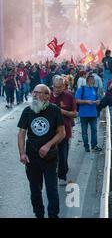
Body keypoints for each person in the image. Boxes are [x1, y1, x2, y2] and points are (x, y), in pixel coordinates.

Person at [17, 84, 66, 218]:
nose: (34, 95)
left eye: (38, 93)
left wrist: (48, 145)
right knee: (35, 191)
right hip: (32, 158)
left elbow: (62, 133)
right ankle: (39, 214)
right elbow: (21, 133)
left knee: (52, 190)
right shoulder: (27, 111)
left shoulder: (54, 110)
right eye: (34, 92)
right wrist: (22, 153)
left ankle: (53, 215)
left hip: (50, 157)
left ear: (47, 96)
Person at [49, 76, 77, 186]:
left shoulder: (68, 96)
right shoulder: (46, 95)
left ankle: (62, 175)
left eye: (60, 87)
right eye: (55, 87)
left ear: (64, 86)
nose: (57, 89)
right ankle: (50, 174)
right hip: (49, 131)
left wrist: (61, 111)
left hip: (64, 131)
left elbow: (75, 114)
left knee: (63, 154)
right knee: (49, 154)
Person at [75, 74, 102, 152]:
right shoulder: (81, 89)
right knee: (84, 131)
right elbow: (77, 100)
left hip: (93, 114)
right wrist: (86, 101)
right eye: (93, 80)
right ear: (89, 80)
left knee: (94, 130)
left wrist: (98, 102)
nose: (94, 81)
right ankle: (86, 146)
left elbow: (97, 99)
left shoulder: (94, 89)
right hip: (84, 114)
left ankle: (94, 145)